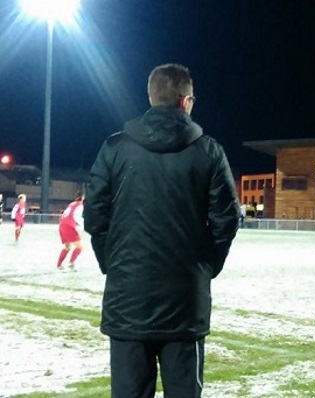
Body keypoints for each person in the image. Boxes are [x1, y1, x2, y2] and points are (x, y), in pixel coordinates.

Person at [84, 63, 240, 398]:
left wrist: (112, 262)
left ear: (151, 98)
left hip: (128, 298)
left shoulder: (114, 148)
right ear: (186, 102)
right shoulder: (209, 151)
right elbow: (226, 219)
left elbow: (95, 215)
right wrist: (206, 265)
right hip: (185, 301)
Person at [56, 191, 85, 271]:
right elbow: (76, 216)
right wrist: (85, 225)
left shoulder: (72, 204)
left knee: (67, 247)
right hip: (69, 227)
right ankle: (71, 263)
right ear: (83, 198)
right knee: (80, 247)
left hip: (62, 225)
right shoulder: (80, 205)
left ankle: (59, 265)